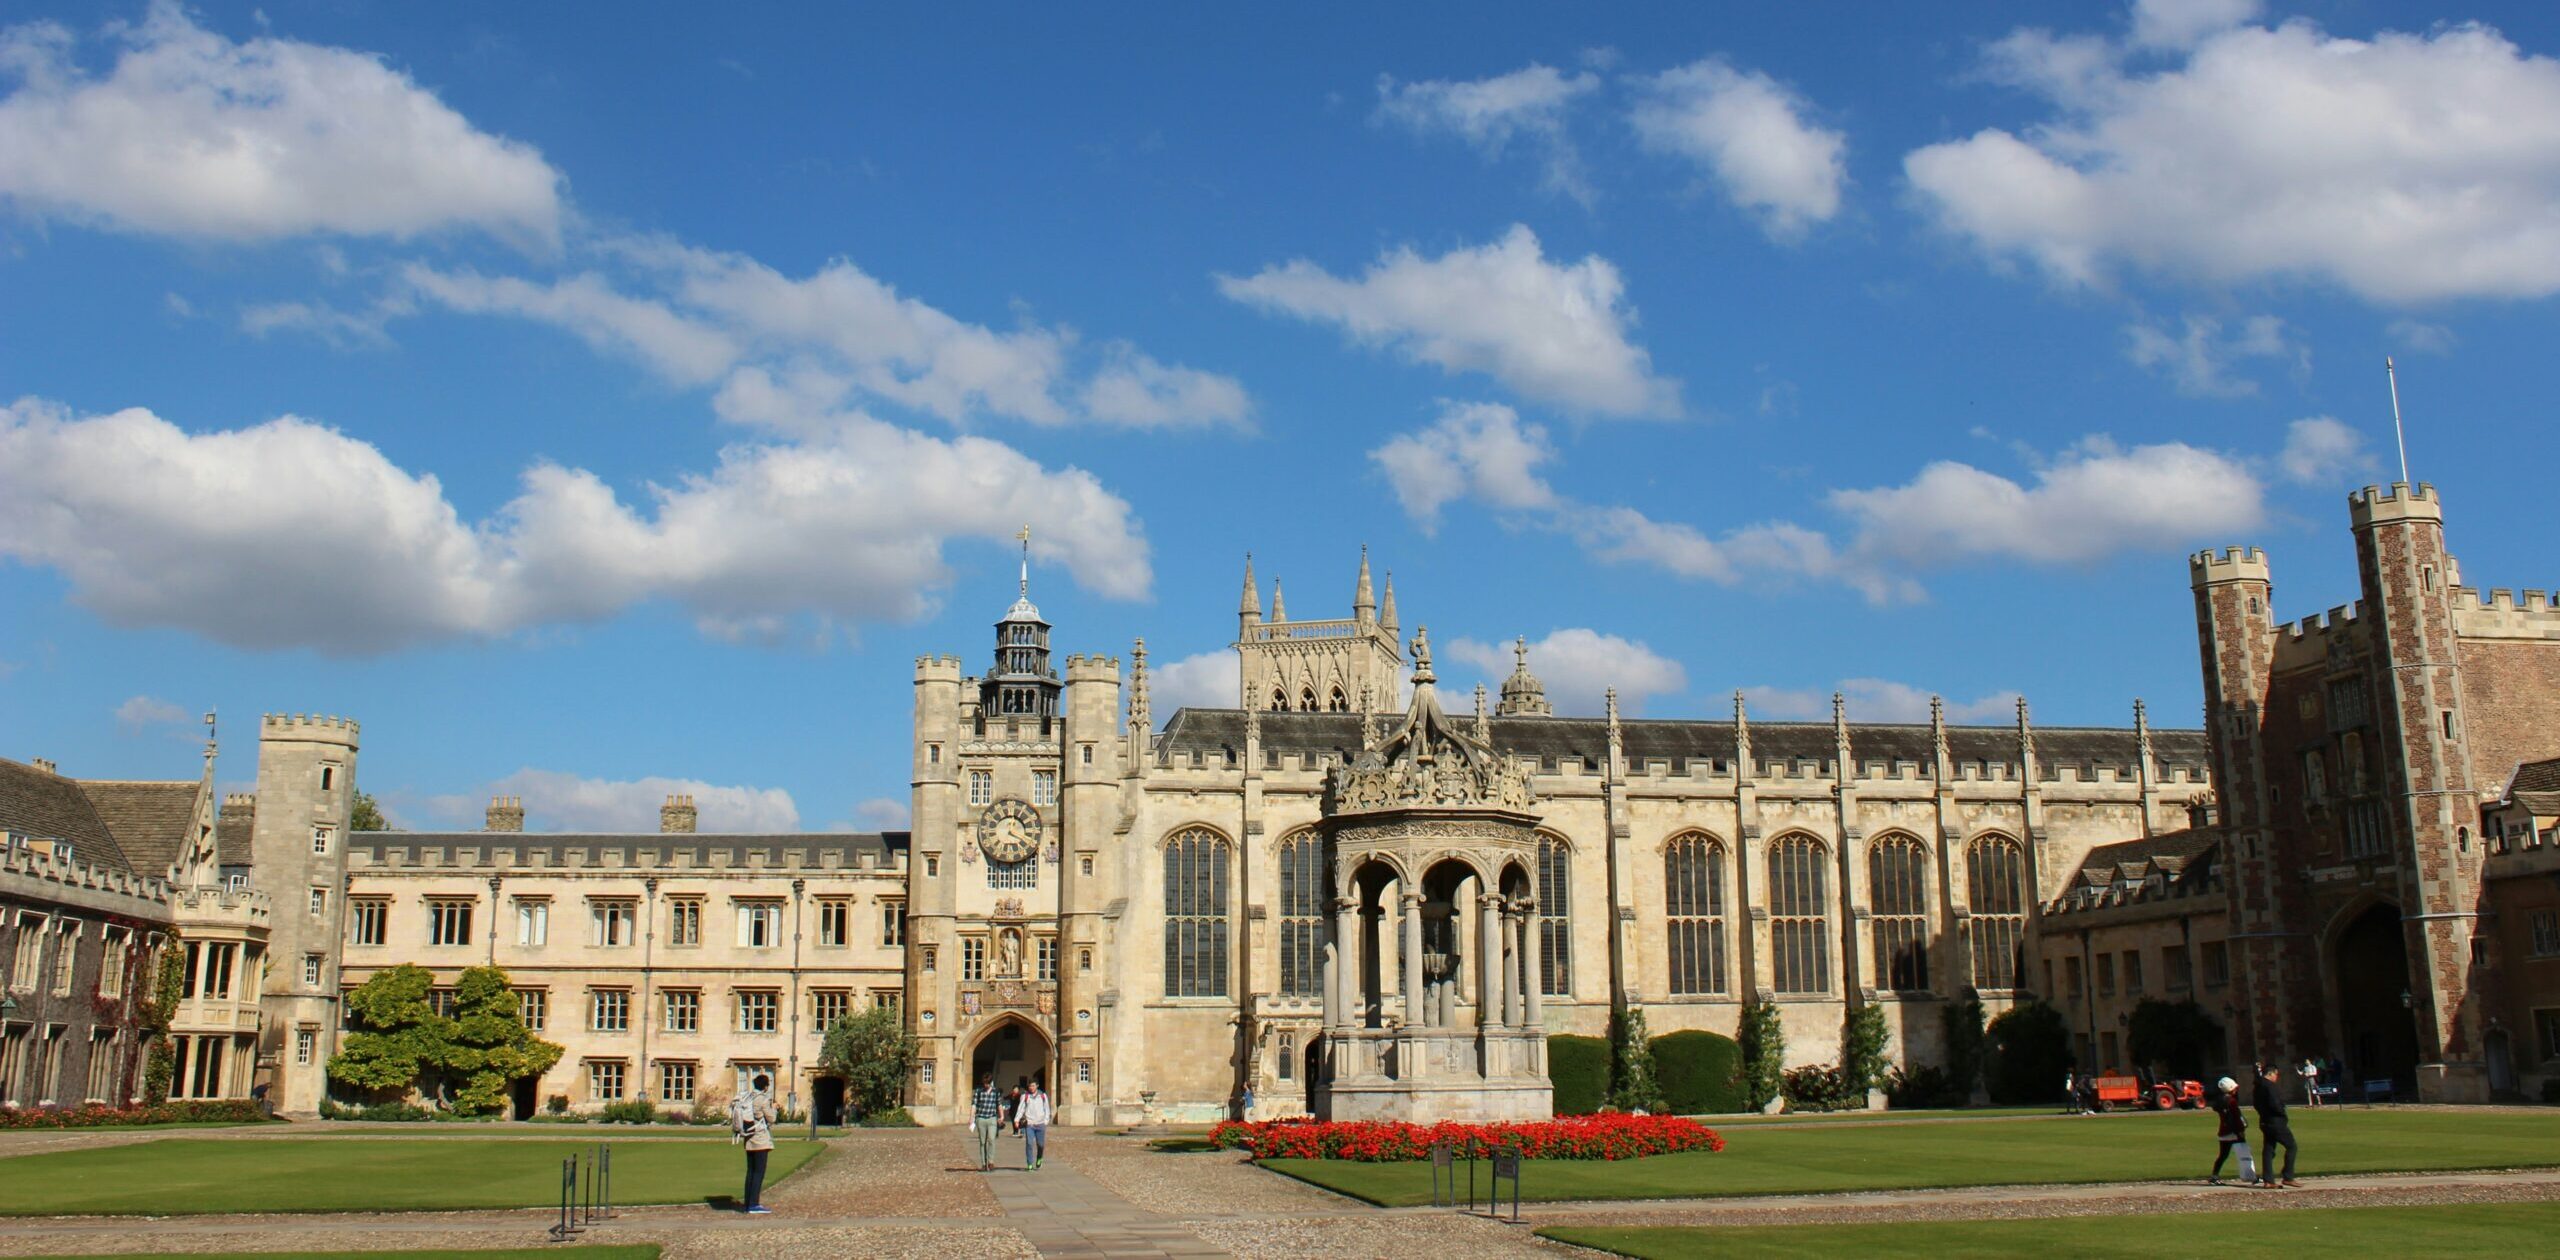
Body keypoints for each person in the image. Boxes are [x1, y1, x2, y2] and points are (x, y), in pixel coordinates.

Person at [731, 1073, 778, 1214]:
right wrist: (774, 1107)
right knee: (759, 1172)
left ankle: (748, 1203)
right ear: (765, 1086)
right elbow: (771, 1118)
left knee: (750, 1171)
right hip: (760, 1139)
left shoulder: (748, 1097)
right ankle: (754, 1204)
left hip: (748, 1137)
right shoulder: (762, 1100)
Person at [2253, 1062, 2300, 1188]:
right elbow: (2275, 1104)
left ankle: (2268, 1180)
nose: (2276, 1077)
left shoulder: (2258, 1086)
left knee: (2268, 1149)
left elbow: (2256, 1104)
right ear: (2271, 1073)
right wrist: (2281, 1112)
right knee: (2292, 1146)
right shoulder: (2270, 1086)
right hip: (2276, 1122)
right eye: (2276, 1074)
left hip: (2264, 1120)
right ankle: (2288, 1176)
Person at [2207, 1076, 2256, 1186]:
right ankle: (2251, 1177)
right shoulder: (2232, 1101)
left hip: (2223, 1132)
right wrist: (2241, 1130)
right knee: (2245, 1154)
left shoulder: (2219, 1101)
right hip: (2234, 1132)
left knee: (2223, 1155)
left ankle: (2214, 1176)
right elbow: (2236, 1118)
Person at [1014, 1076, 1053, 1171]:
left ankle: (1039, 1158)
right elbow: (1021, 1108)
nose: (1031, 1087)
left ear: (1037, 1086)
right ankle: (1030, 1163)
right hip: (1030, 1124)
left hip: (1040, 1123)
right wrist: (1017, 1119)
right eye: (1030, 1086)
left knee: (1040, 1144)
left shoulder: (1042, 1096)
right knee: (1029, 1143)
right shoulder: (1025, 1096)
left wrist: (1046, 1120)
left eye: (1033, 1085)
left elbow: (1047, 1109)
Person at [970, 1073, 1005, 1172]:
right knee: (982, 1142)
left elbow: (999, 1104)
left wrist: (1001, 1116)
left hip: (992, 1118)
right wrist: (971, 1117)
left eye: (988, 1083)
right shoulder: (978, 1091)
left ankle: (991, 1161)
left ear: (991, 1082)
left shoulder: (995, 1092)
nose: (986, 1085)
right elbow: (974, 1105)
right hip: (981, 1118)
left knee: (991, 1139)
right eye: (985, 1083)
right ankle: (983, 1163)